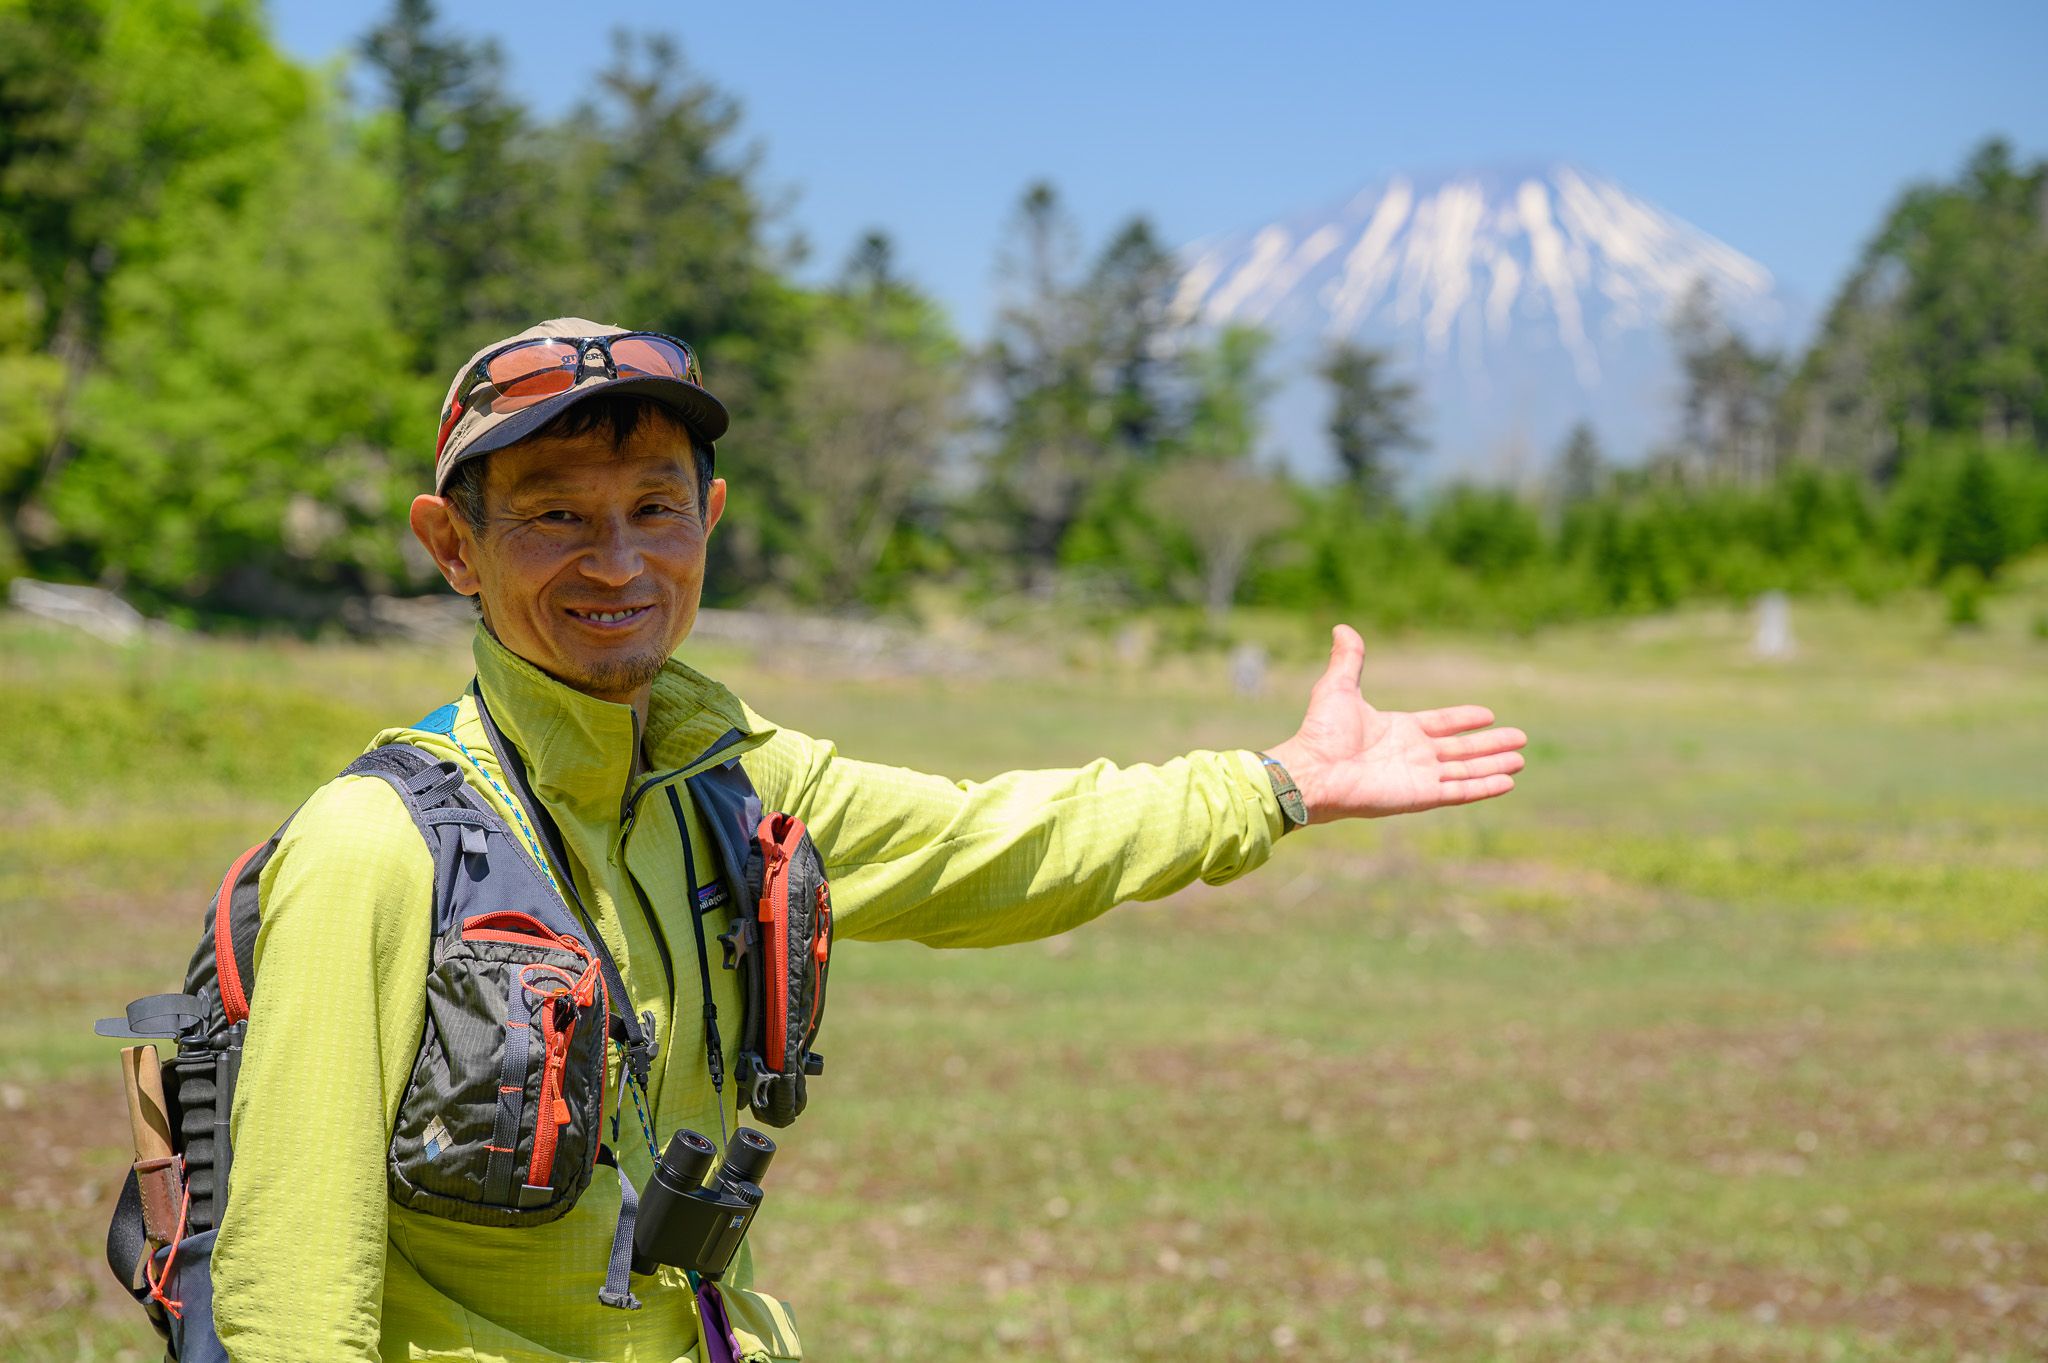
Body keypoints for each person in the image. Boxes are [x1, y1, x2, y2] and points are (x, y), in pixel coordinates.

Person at [206, 318, 1527, 1361]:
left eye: (654, 509)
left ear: (709, 524)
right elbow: (290, 1296)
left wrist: (1279, 784)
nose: (615, 562)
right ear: (454, 546)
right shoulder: (374, 847)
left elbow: (996, 847)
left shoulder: (739, 781)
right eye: (554, 515)